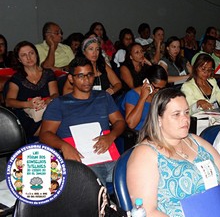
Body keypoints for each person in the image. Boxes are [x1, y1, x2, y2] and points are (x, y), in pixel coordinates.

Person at [127, 88, 220, 217]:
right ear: (158, 119)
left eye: (186, 112)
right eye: (176, 114)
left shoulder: (195, 141)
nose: (185, 119)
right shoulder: (144, 154)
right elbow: (147, 212)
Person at [40, 57, 125, 185]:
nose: (86, 80)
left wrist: (111, 136)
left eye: (89, 75)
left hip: (108, 154)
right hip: (82, 159)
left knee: (136, 177)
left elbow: (120, 121)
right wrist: (64, 146)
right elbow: (45, 134)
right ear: (71, 79)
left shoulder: (103, 97)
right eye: (80, 76)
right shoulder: (59, 103)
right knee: (97, 191)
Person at [5, 41, 58, 142]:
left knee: (56, 114)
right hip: (27, 116)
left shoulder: (48, 74)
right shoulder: (17, 78)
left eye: (31, 53)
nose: (28, 58)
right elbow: (9, 101)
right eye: (24, 55)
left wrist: (47, 101)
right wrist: (28, 104)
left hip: (48, 111)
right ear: (19, 59)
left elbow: (55, 94)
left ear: (36, 54)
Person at [121, 65, 167, 131]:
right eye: (156, 88)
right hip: (140, 134)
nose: (158, 91)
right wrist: (142, 98)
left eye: (162, 88)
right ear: (147, 81)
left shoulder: (160, 95)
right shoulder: (132, 95)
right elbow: (131, 124)